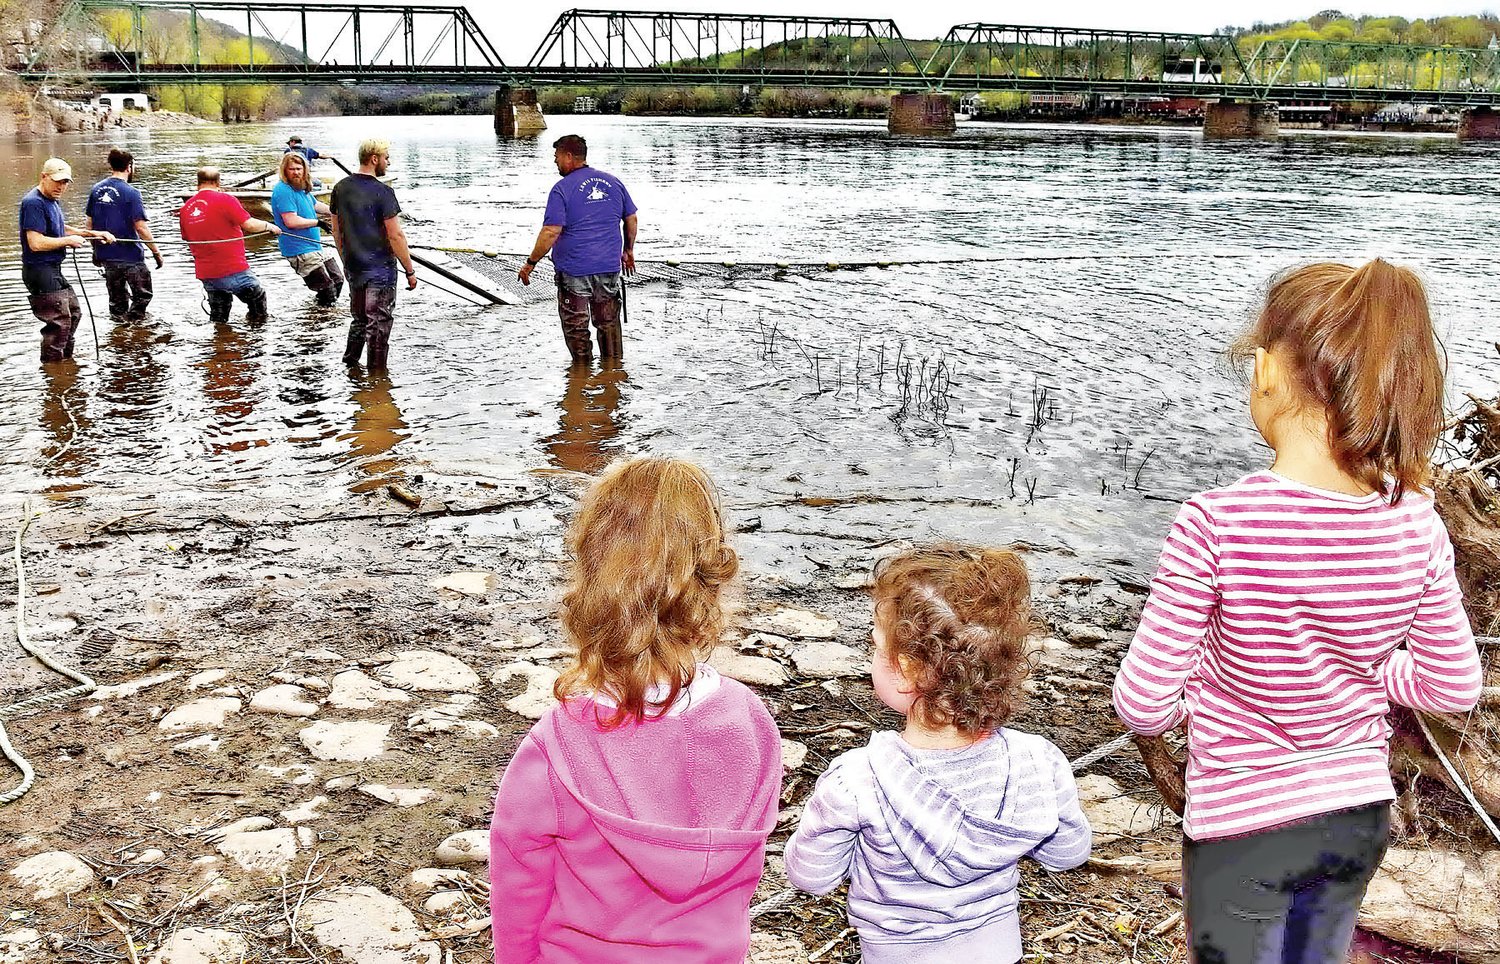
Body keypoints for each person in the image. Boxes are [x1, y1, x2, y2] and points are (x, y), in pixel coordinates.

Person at [1112, 260, 1483, 964]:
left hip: (1243, 826)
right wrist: (1368, 675)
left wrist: (1203, 686)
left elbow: (1142, 704)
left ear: (1266, 371)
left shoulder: (1216, 523)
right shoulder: (1416, 521)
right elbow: (1451, 688)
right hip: (1357, 814)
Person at [489, 457, 781, 963]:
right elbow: (744, 871)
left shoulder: (557, 748)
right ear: (709, 582)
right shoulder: (749, 722)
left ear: (589, 577)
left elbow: (519, 876)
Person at [785, 546, 1091, 963]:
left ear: (909, 669)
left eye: (877, 646)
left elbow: (811, 877)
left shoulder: (857, 780)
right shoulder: (1038, 760)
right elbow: (1067, 853)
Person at [518, 134, 638, 363]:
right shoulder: (613, 182)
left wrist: (530, 263)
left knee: (577, 328)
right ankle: (611, 377)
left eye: (557, 156)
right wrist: (628, 250)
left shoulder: (561, 189)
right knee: (608, 324)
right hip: (609, 268)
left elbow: (551, 231)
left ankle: (580, 379)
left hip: (574, 271)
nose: (555, 161)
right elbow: (631, 218)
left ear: (569, 156)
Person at [330, 138, 417, 370]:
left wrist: (345, 260)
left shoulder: (340, 188)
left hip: (354, 266)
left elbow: (336, 231)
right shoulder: (384, 192)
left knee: (359, 320)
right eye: (386, 157)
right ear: (374, 159)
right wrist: (410, 270)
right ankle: (377, 382)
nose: (388, 162)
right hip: (380, 269)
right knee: (378, 325)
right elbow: (395, 236)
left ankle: (350, 366)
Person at [19, 158, 115, 363]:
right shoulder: (33, 202)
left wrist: (93, 233)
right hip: (39, 271)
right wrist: (68, 241)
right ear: (43, 177)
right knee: (60, 323)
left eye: (64, 182)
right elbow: (35, 242)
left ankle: (66, 362)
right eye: (57, 181)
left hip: (52, 269)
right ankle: (54, 371)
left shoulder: (51, 200)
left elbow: (59, 227)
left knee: (73, 313)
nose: (61, 186)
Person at [179, 167, 281, 326]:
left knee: (219, 316)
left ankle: (221, 342)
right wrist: (269, 226)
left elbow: (186, 237)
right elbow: (249, 225)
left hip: (207, 273)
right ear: (218, 182)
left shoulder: (186, 208)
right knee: (257, 299)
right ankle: (257, 340)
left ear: (197, 183)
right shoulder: (226, 199)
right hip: (233, 268)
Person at [85, 148, 163, 323]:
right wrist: (156, 252)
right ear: (129, 167)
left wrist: (95, 250)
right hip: (130, 256)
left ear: (111, 166)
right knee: (143, 295)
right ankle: (137, 329)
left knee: (117, 302)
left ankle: (120, 334)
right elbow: (141, 227)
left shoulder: (96, 190)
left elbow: (89, 225)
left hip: (107, 256)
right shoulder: (132, 193)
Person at [270, 151, 344, 307]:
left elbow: (315, 205)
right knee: (326, 289)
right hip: (298, 249)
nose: (296, 172)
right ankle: (322, 322)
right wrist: (317, 223)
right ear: (285, 171)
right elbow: (291, 221)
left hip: (314, 245)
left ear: (304, 170)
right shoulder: (283, 190)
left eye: (299, 168)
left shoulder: (301, 188)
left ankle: (319, 314)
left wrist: (337, 211)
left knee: (338, 279)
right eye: (292, 169)